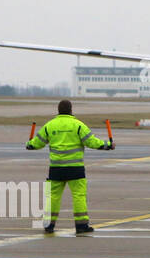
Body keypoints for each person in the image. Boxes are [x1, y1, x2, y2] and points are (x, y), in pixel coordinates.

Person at [26, 99, 114, 234]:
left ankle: (48, 225)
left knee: (53, 197)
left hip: (56, 169)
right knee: (79, 196)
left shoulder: (50, 126)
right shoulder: (78, 125)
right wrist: (107, 145)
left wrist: (30, 144)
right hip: (75, 168)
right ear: (71, 110)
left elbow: (37, 143)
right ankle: (81, 226)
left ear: (58, 110)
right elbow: (92, 142)